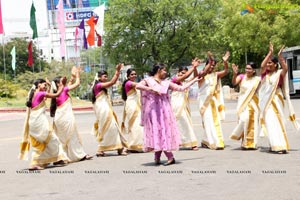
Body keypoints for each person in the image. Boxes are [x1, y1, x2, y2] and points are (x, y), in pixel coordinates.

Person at [136, 63, 202, 166]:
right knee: (156, 132)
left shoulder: (166, 83)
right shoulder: (148, 80)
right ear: (159, 70)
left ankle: (170, 157)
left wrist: (194, 80)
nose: (166, 72)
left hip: (164, 111)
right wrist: (151, 89)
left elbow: (181, 88)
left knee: (163, 132)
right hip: (153, 112)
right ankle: (157, 157)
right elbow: (138, 86)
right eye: (164, 70)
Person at [19, 78, 69, 170]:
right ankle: (41, 161)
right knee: (53, 139)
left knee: (40, 143)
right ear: (39, 85)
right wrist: (61, 86)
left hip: (33, 124)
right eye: (44, 85)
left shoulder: (32, 94)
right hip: (40, 123)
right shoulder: (40, 94)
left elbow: (45, 98)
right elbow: (56, 95)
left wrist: (49, 86)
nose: (45, 87)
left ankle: (48, 160)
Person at [259, 43, 299, 154]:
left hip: (277, 99)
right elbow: (262, 66)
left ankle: (280, 145)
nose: (267, 65)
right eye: (267, 63)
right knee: (270, 122)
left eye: (270, 63)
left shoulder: (279, 73)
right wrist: (269, 53)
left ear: (276, 65)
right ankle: (275, 145)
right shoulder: (265, 75)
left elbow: (285, 68)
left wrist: (280, 57)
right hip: (267, 102)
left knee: (278, 121)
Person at [50, 66, 93, 162]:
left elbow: (68, 85)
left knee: (62, 139)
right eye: (62, 81)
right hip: (66, 118)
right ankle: (80, 155)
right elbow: (77, 84)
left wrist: (72, 78)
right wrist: (77, 74)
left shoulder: (56, 93)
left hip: (58, 119)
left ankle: (61, 157)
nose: (64, 82)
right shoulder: (64, 90)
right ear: (58, 84)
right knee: (72, 136)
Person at [91, 63, 128, 157]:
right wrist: (117, 71)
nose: (106, 78)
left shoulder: (100, 85)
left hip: (105, 108)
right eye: (104, 76)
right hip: (103, 110)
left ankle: (119, 147)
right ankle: (102, 149)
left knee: (112, 126)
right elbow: (112, 83)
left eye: (106, 76)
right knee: (108, 127)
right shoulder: (98, 85)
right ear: (99, 77)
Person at [196, 51, 230, 150]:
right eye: (210, 65)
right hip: (204, 102)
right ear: (206, 65)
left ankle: (208, 141)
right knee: (207, 121)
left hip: (213, 101)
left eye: (213, 65)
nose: (212, 67)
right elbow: (205, 72)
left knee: (213, 121)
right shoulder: (201, 75)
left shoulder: (216, 75)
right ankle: (212, 141)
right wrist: (210, 60)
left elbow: (226, 71)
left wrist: (225, 62)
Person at [170, 58, 201, 150]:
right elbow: (185, 77)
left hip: (184, 105)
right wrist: (193, 66)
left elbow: (196, 77)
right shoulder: (174, 79)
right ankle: (187, 142)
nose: (182, 75)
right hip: (176, 104)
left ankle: (188, 142)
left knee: (185, 123)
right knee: (179, 123)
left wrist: (195, 68)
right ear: (178, 72)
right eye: (181, 72)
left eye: (184, 73)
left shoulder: (185, 82)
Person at [230, 62, 260, 150]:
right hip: (243, 102)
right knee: (244, 120)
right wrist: (235, 74)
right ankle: (243, 140)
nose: (247, 70)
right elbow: (234, 83)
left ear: (254, 70)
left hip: (254, 102)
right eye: (246, 68)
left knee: (252, 122)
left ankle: (250, 143)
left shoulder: (257, 79)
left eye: (249, 69)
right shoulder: (242, 77)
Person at [121, 68, 144, 152]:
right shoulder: (129, 83)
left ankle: (137, 143)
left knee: (138, 124)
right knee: (135, 124)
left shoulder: (131, 82)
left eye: (135, 74)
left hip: (135, 104)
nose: (134, 75)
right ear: (128, 76)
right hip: (131, 105)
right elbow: (139, 85)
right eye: (132, 74)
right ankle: (134, 144)